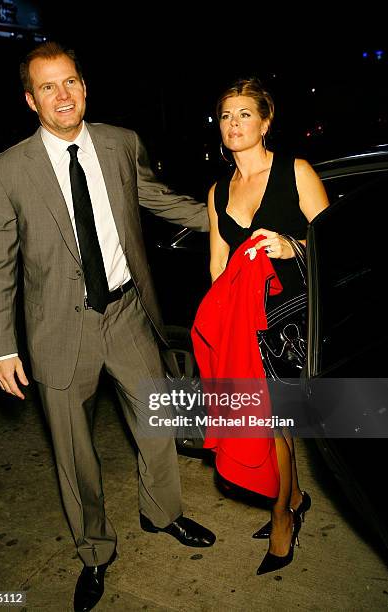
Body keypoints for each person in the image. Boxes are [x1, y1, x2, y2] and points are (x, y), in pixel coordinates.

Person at [0, 41, 215, 612]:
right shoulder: (7, 170)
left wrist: (228, 220)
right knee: (75, 453)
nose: (64, 95)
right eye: (49, 87)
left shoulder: (119, 143)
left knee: (158, 425)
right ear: (31, 100)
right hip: (59, 330)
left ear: (85, 85)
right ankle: (94, 553)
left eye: (72, 82)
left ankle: (162, 515)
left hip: (128, 313)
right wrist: (1, 346)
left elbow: (157, 198)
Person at [193, 77, 329, 575]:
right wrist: (216, 328)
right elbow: (217, 264)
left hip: (290, 320)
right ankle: (294, 496)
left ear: (266, 121)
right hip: (243, 325)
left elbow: (337, 244)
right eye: (227, 116)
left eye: (245, 114)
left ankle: (282, 518)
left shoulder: (295, 172)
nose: (234, 124)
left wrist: (293, 245)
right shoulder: (217, 190)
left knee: (273, 423)